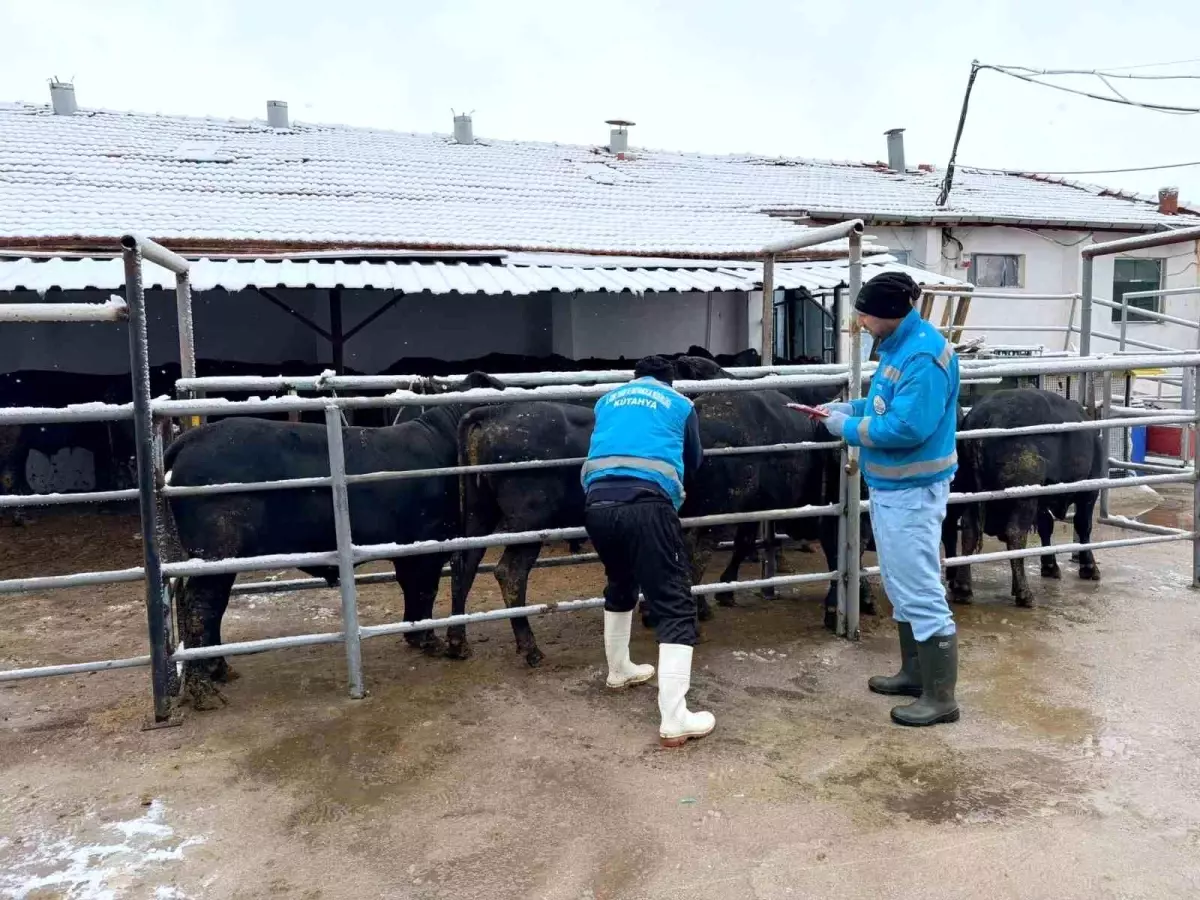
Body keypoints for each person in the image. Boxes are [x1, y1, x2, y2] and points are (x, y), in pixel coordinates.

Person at [817, 271, 961, 727]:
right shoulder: (899, 345)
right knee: (900, 584)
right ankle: (915, 674)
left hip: (913, 490)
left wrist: (845, 428)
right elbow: (886, 405)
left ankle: (940, 697)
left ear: (890, 313)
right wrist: (849, 408)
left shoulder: (922, 357)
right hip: (893, 487)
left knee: (918, 586)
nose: (860, 322)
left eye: (865, 315)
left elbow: (906, 427)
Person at [581, 355, 713, 747]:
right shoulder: (679, 403)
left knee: (620, 581)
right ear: (670, 381)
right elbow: (694, 460)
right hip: (647, 505)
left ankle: (618, 669)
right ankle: (674, 718)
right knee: (674, 603)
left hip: (597, 504)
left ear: (634, 378)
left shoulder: (607, 400)